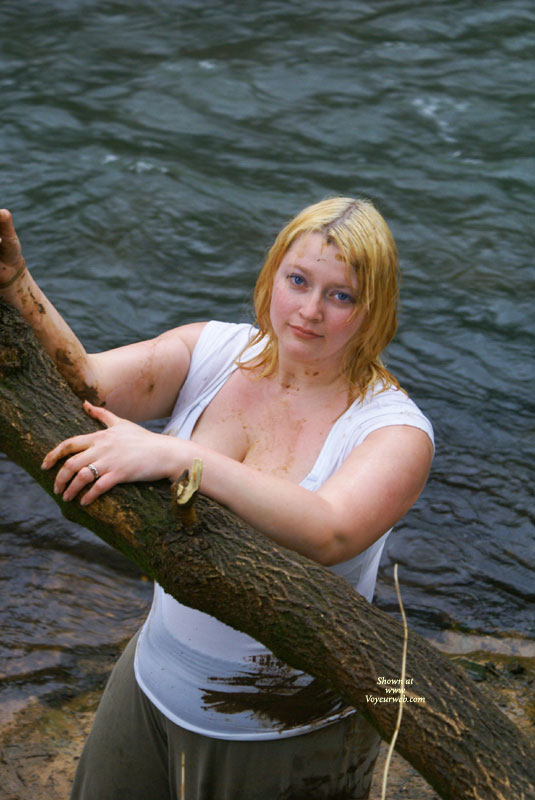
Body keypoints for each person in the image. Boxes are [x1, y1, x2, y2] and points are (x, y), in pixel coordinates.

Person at [0, 198, 434, 800]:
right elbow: (86, 383)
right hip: (153, 680)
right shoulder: (213, 352)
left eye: (342, 296)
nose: (309, 310)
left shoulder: (393, 429)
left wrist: (183, 458)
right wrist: (17, 284)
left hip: (285, 726)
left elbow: (331, 529)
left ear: (375, 307)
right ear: (273, 275)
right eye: (298, 281)